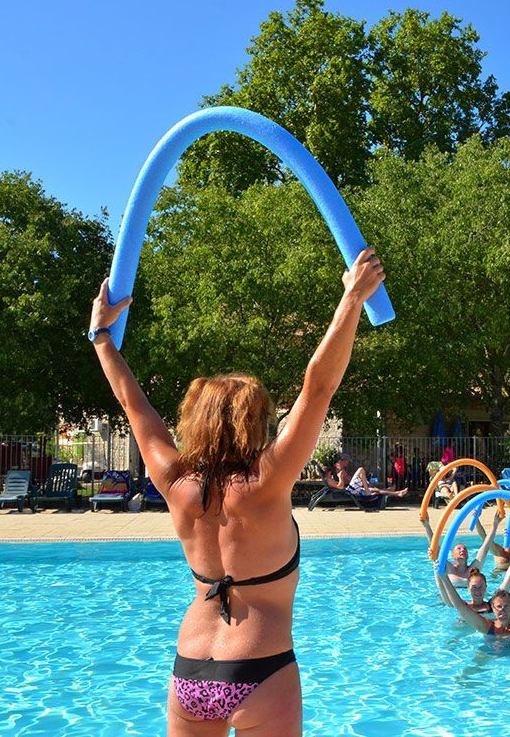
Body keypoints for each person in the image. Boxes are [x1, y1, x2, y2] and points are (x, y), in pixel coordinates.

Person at [88, 247, 384, 734]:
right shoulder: (266, 481)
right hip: (258, 667)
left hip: (190, 669)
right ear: (256, 420)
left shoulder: (177, 482)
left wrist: (102, 336)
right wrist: (351, 298)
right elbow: (319, 388)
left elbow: (131, 403)